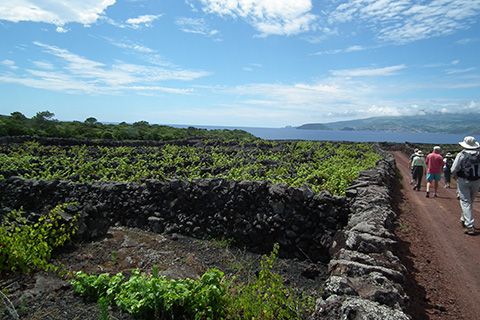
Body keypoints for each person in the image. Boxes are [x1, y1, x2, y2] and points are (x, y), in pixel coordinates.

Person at [451, 136, 480, 235]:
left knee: (465, 202)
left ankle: (469, 225)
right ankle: (464, 218)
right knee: (470, 201)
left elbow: (453, 169)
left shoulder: (461, 154)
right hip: (476, 181)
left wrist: (455, 177)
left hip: (463, 180)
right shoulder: (479, 154)